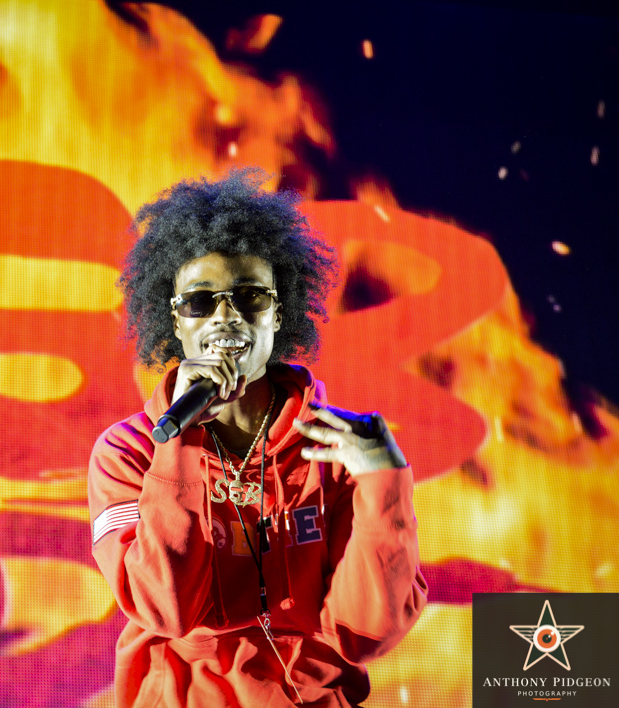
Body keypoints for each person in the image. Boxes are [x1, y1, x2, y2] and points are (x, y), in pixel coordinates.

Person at [88, 170, 427, 708]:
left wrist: (385, 486)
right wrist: (181, 443)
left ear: (280, 313)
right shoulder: (128, 453)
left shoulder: (336, 448)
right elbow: (164, 610)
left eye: (250, 296)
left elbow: (365, 634)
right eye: (200, 301)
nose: (226, 317)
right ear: (174, 323)